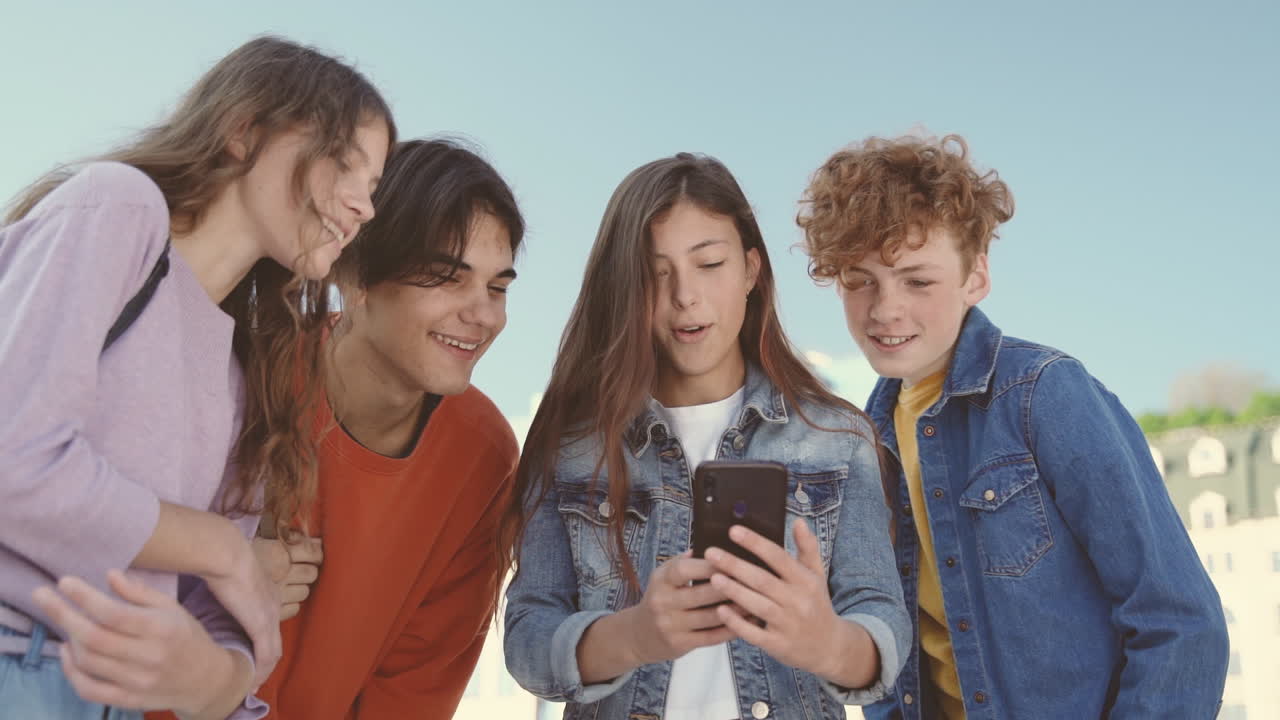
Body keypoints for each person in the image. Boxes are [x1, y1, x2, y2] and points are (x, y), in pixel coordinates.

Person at [0, 35, 393, 720]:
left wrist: (212, 678)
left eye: (374, 186)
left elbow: (226, 630)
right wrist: (218, 548)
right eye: (342, 162)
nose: (364, 206)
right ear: (244, 131)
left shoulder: (248, 370)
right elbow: (13, 459)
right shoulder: (122, 208)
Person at [796, 133, 1229, 719]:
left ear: (975, 277)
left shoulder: (1045, 394)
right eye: (859, 279)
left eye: (917, 280)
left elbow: (1180, 622)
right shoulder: (859, 443)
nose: (885, 308)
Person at [504, 152, 908, 719]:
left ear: (751, 270)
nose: (684, 296)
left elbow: (883, 621)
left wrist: (828, 644)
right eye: (655, 273)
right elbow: (527, 636)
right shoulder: (570, 447)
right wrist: (633, 636)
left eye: (710, 264)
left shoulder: (838, 439)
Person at [243, 138, 524, 719]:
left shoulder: (484, 456)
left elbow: (415, 692)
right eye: (447, 277)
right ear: (356, 275)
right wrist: (216, 573)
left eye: (497, 288)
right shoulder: (246, 368)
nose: (483, 315)